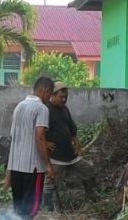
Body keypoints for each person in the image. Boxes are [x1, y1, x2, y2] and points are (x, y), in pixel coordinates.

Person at [4, 76, 55, 220]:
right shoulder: (42, 108)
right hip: (33, 167)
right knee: (31, 211)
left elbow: (13, 138)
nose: (49, 98)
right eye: (50, 94)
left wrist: (8, 172)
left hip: (16, 167)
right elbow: (39, 136)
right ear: (45, 91)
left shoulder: (19, 106)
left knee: (18, 209)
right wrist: (47, 165)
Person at [41, 82, 96, 211]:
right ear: (52, 96)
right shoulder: (45, 110)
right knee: (51, 183)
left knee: (88, 169)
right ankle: (47, 209)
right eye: (61, 97)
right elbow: (38, 132)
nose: (64, 99)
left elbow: (72, 130)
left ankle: (91, 197)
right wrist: (45, 143)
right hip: (56, 157)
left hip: (70, 155)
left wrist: (77, 145)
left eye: (65, 97)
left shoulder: (65, 109)